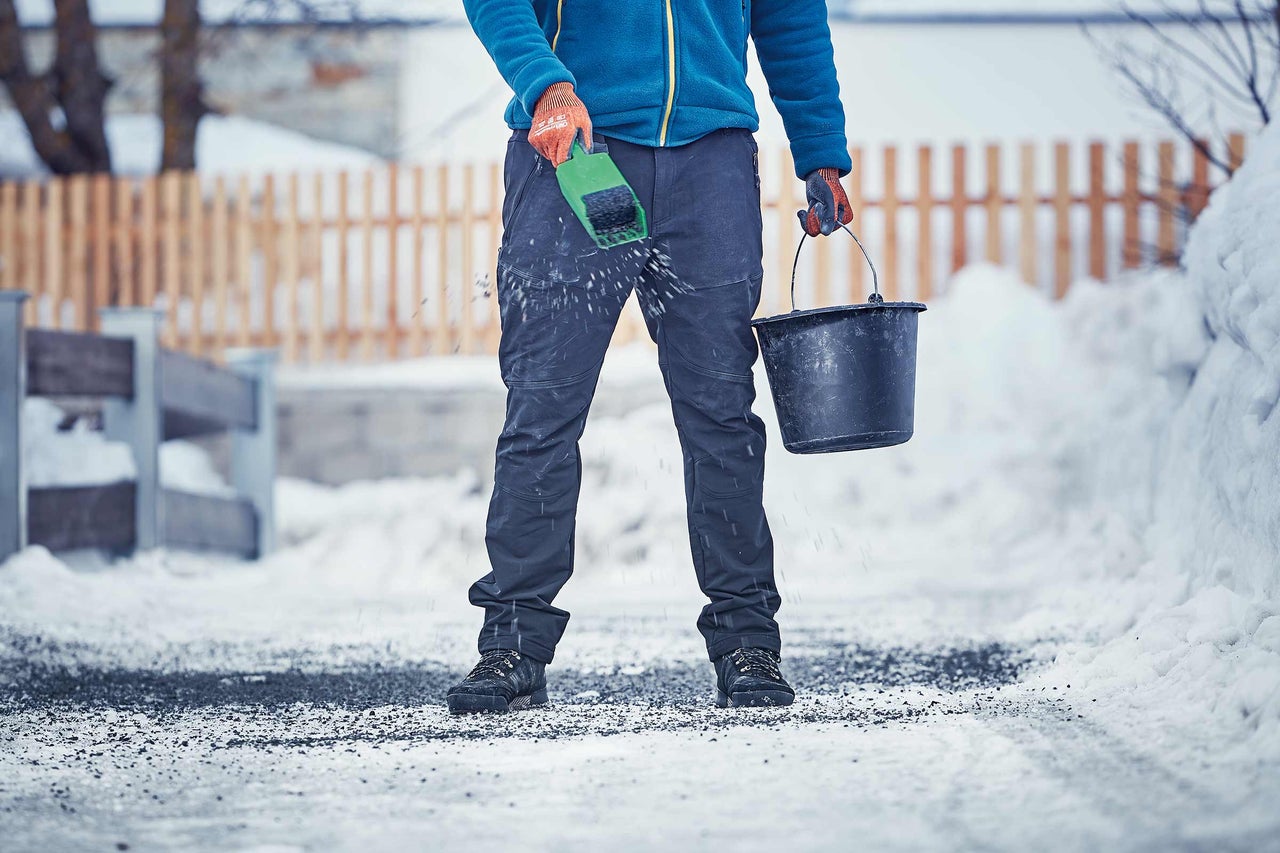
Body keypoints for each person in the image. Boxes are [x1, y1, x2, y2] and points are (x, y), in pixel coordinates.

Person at [448, 0, 854, 714]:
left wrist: (820, 146)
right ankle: (511, 641)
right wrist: (544, 83)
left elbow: (789, 14)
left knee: (722, 414)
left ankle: (747, 641)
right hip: (574, 151)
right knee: (543, 407)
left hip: (712, 165)